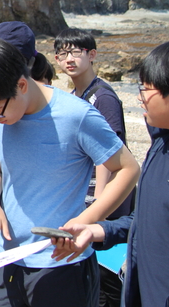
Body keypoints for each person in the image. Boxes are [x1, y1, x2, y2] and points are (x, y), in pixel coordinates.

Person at [0, 37, 140, 307]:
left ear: (21, 85)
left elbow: (128, 168)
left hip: (61, 263)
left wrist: (88, 220)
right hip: (5, 262)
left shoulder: (76, 116)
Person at [52, 41, 169, 307]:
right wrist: (97, 230)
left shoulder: (103, 97)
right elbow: (146, 222)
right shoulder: (159, 147)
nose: (140, 96)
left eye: (146, 88)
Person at [54, 27, 134, 306]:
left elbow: (110, 153)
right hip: (89, 200)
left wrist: (99, 203)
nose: (69, 59)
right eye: (62, 53)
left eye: (76, 52)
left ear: (92, 55)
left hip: (106, 204)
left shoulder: (103, 97)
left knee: (105, 279)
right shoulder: (77, 96)